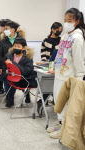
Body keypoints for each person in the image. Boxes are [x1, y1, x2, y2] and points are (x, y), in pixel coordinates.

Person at [47, 8, 85, 139]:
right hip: (59, 74)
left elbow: (79, 60)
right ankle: (60, 123)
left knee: (67, 104)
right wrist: (55, 68)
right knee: (58, 100)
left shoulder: (78, 38)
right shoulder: (65, 36)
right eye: (65, 20)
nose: (66, 23)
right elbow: (60, 55)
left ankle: (64, 128)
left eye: (69, 20)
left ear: (77, 21)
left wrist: (79, 78)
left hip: (69, 77)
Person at [0, 21, 26, 107]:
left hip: (19, 66)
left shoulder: (20, 39)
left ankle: (27, 95)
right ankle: (9, 99)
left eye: (7, 29)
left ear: (13, 30)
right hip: (6, 65)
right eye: (4, 29)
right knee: (7, 81)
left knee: (20, 81)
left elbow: (25, 52)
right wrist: (0, 66)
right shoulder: (3, 40)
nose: (4, 30)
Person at [36, 22, 63, 112]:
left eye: (61, 30)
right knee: (48, 84)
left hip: (59, 66)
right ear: (52, 29)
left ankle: (54, 102)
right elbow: (43, 53)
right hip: (48, 65)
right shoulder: (46, 40)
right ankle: (42, 101)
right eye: (58, 29)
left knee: (56, 86)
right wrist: (44, 63)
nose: (60, 31)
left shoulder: (61, 40)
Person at [3, 37, 37, 107]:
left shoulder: (28, 57)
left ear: (23, 48)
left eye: (18, 47)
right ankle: (10, 99)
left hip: (25, 78)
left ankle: (27, 95)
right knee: (7, 79)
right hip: (13, 76)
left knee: (16, 81)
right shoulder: (10, 55)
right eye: (15, 46)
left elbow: (26, 71)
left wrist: (13, 64)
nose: (16, 48)